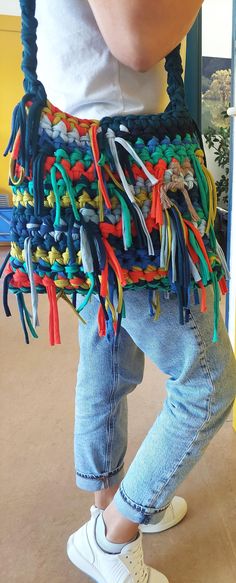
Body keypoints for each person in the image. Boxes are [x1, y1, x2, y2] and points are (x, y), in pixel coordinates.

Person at [36, 2, 236, 582]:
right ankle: (112, 535)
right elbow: (137, 42)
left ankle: (106, 507)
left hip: (74, 167)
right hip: (127, 178)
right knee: (208, 380)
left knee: (107, 348)